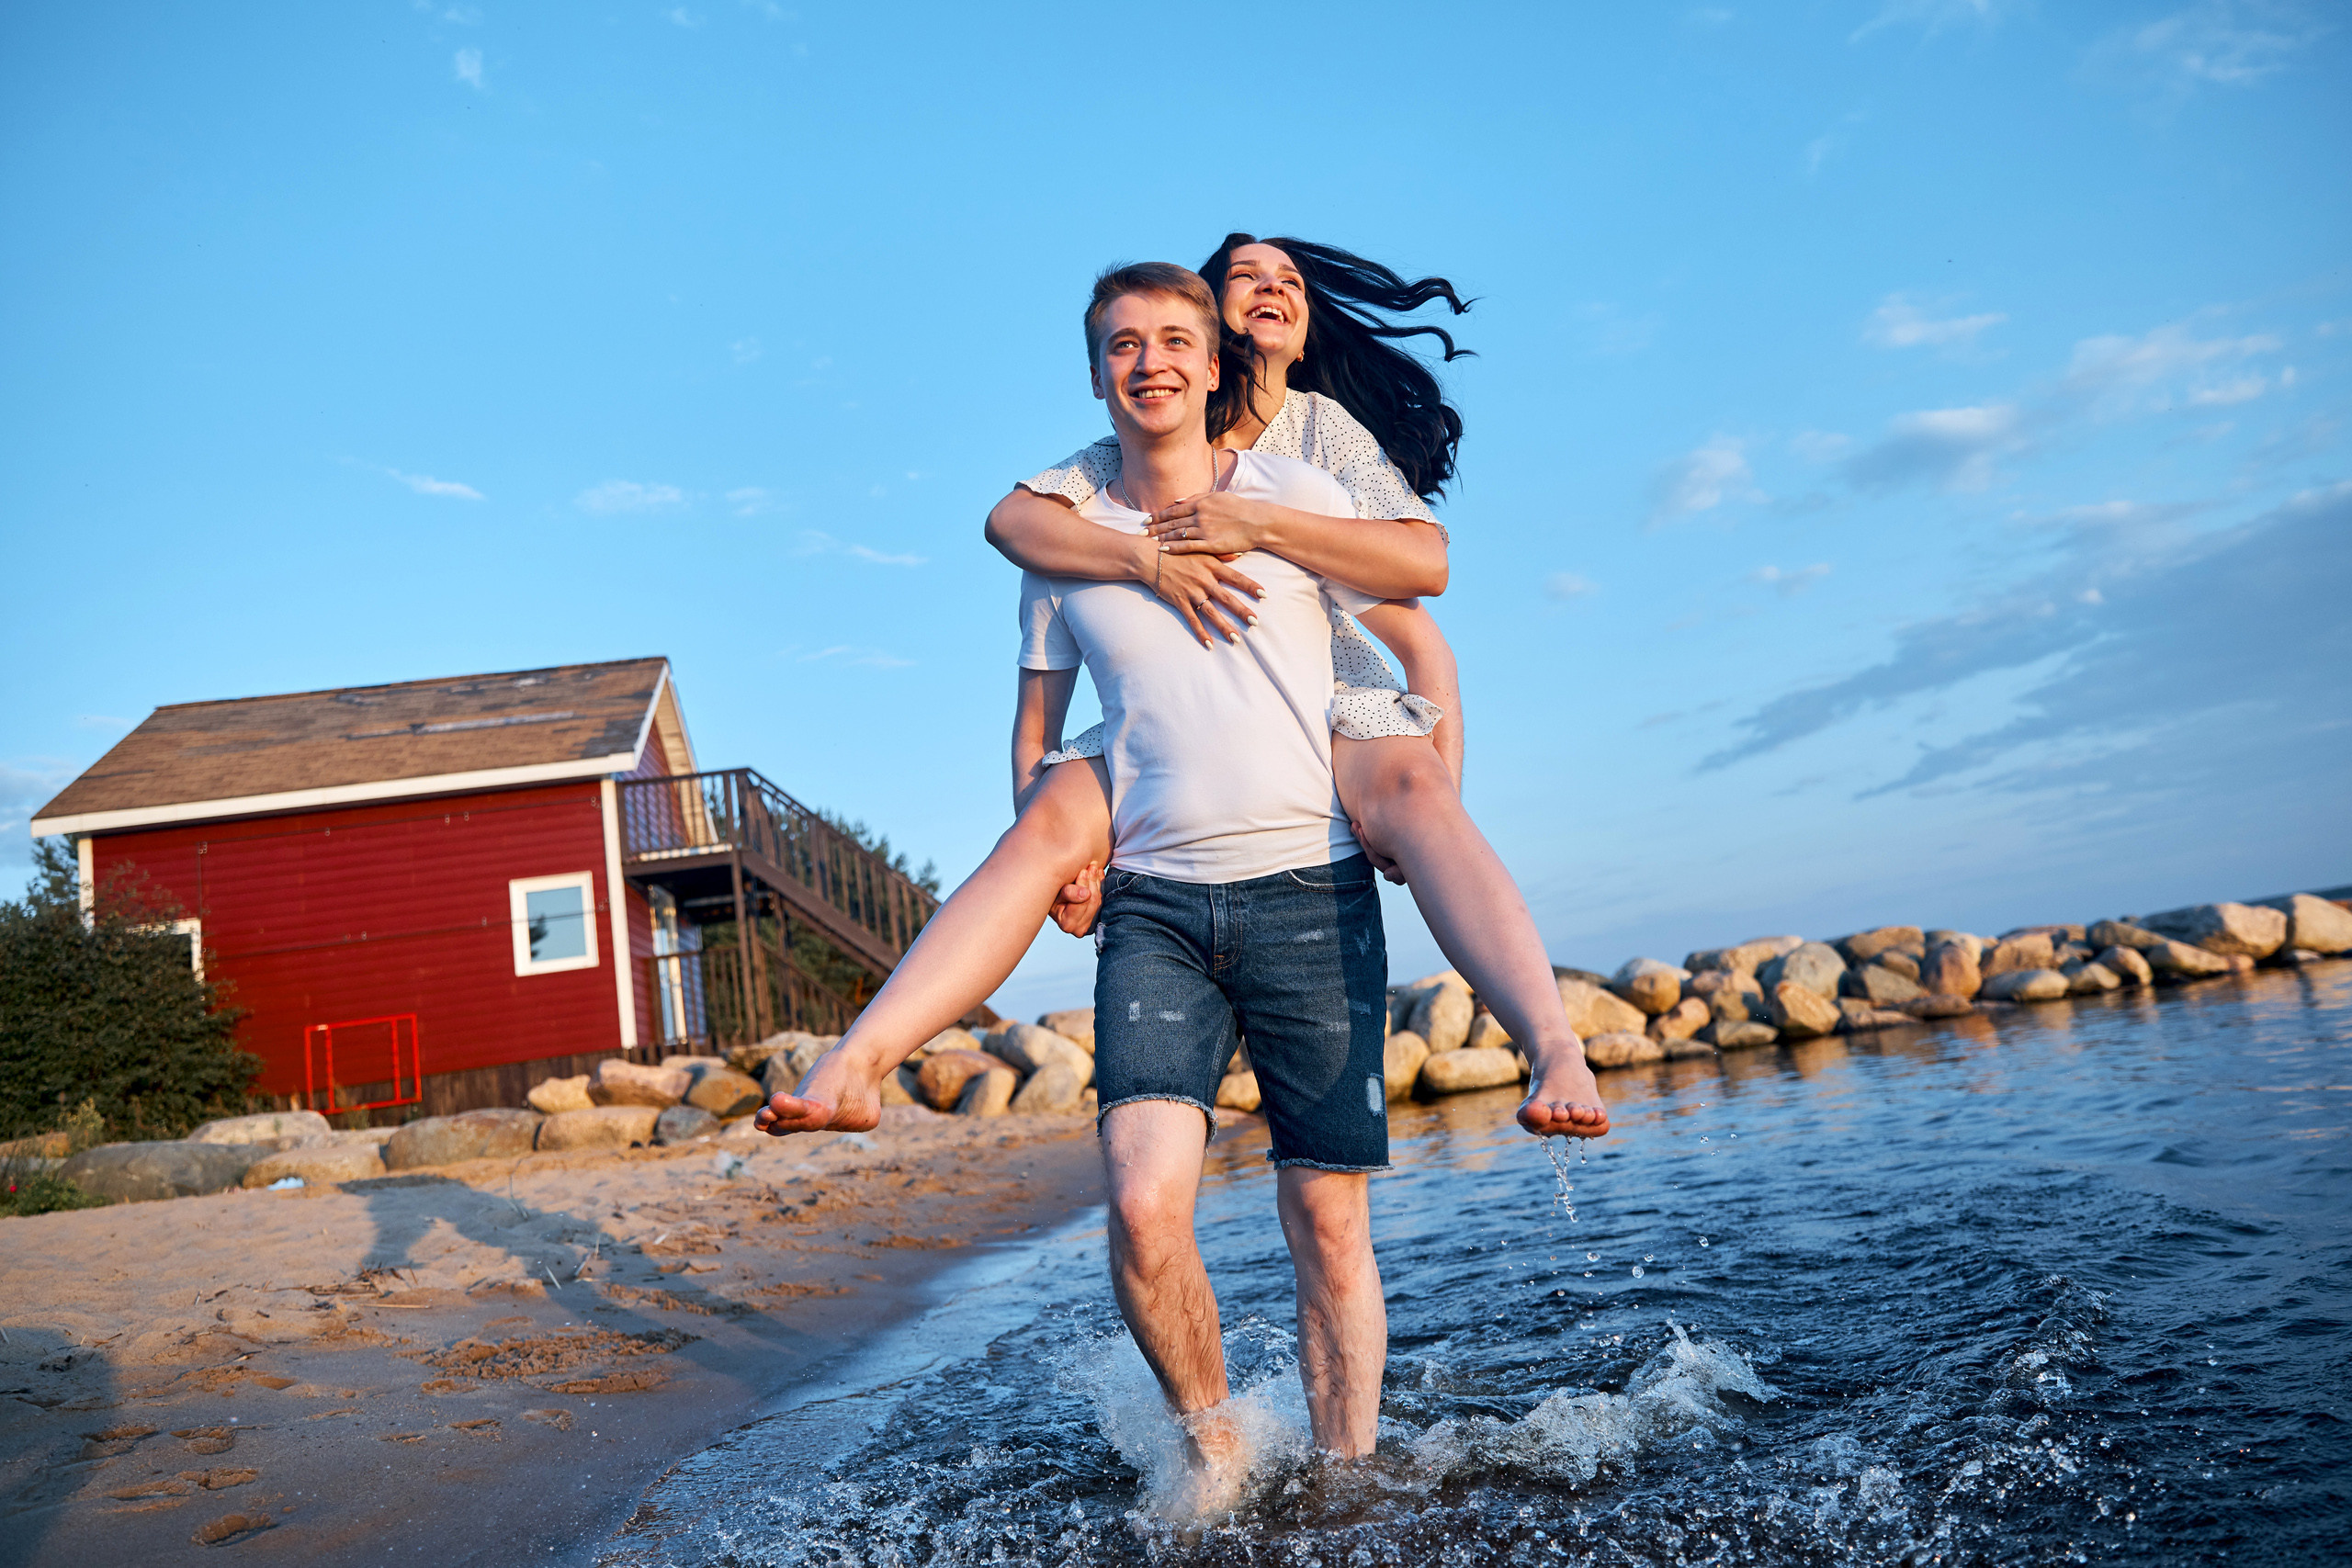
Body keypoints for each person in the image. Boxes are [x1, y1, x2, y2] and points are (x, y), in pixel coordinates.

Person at [757, 236, 1609, 1150]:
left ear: (1208, 355)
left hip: (1323, 697)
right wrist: (1146, 560)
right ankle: (859, 1061)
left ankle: (1554, 1043)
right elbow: (1011, 522)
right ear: (1204, 320)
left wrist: (1433, 774)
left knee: (1416, 794)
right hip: (1167, 712)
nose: (1269, 292)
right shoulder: (1126, 446)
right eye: (1245, 278)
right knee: (1045, 826)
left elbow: (1422, 592)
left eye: (1288, 282)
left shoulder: (1318, 446)